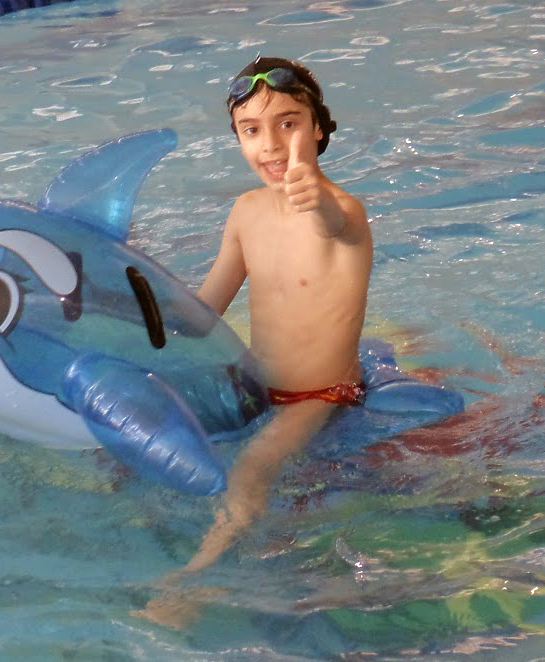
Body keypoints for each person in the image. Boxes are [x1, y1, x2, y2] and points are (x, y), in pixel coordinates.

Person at [136, 56, 373, 628]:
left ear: (318, 128)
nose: (270, 144)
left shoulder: (344, 211)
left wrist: (312, 192)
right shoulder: (245, 212)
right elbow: (204, 313)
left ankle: (195, 582)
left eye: (288, 123)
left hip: (320, 394)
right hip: (255, 384)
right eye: (251, 130)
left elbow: (329, 222)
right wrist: (138, 307)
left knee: (249, 471)